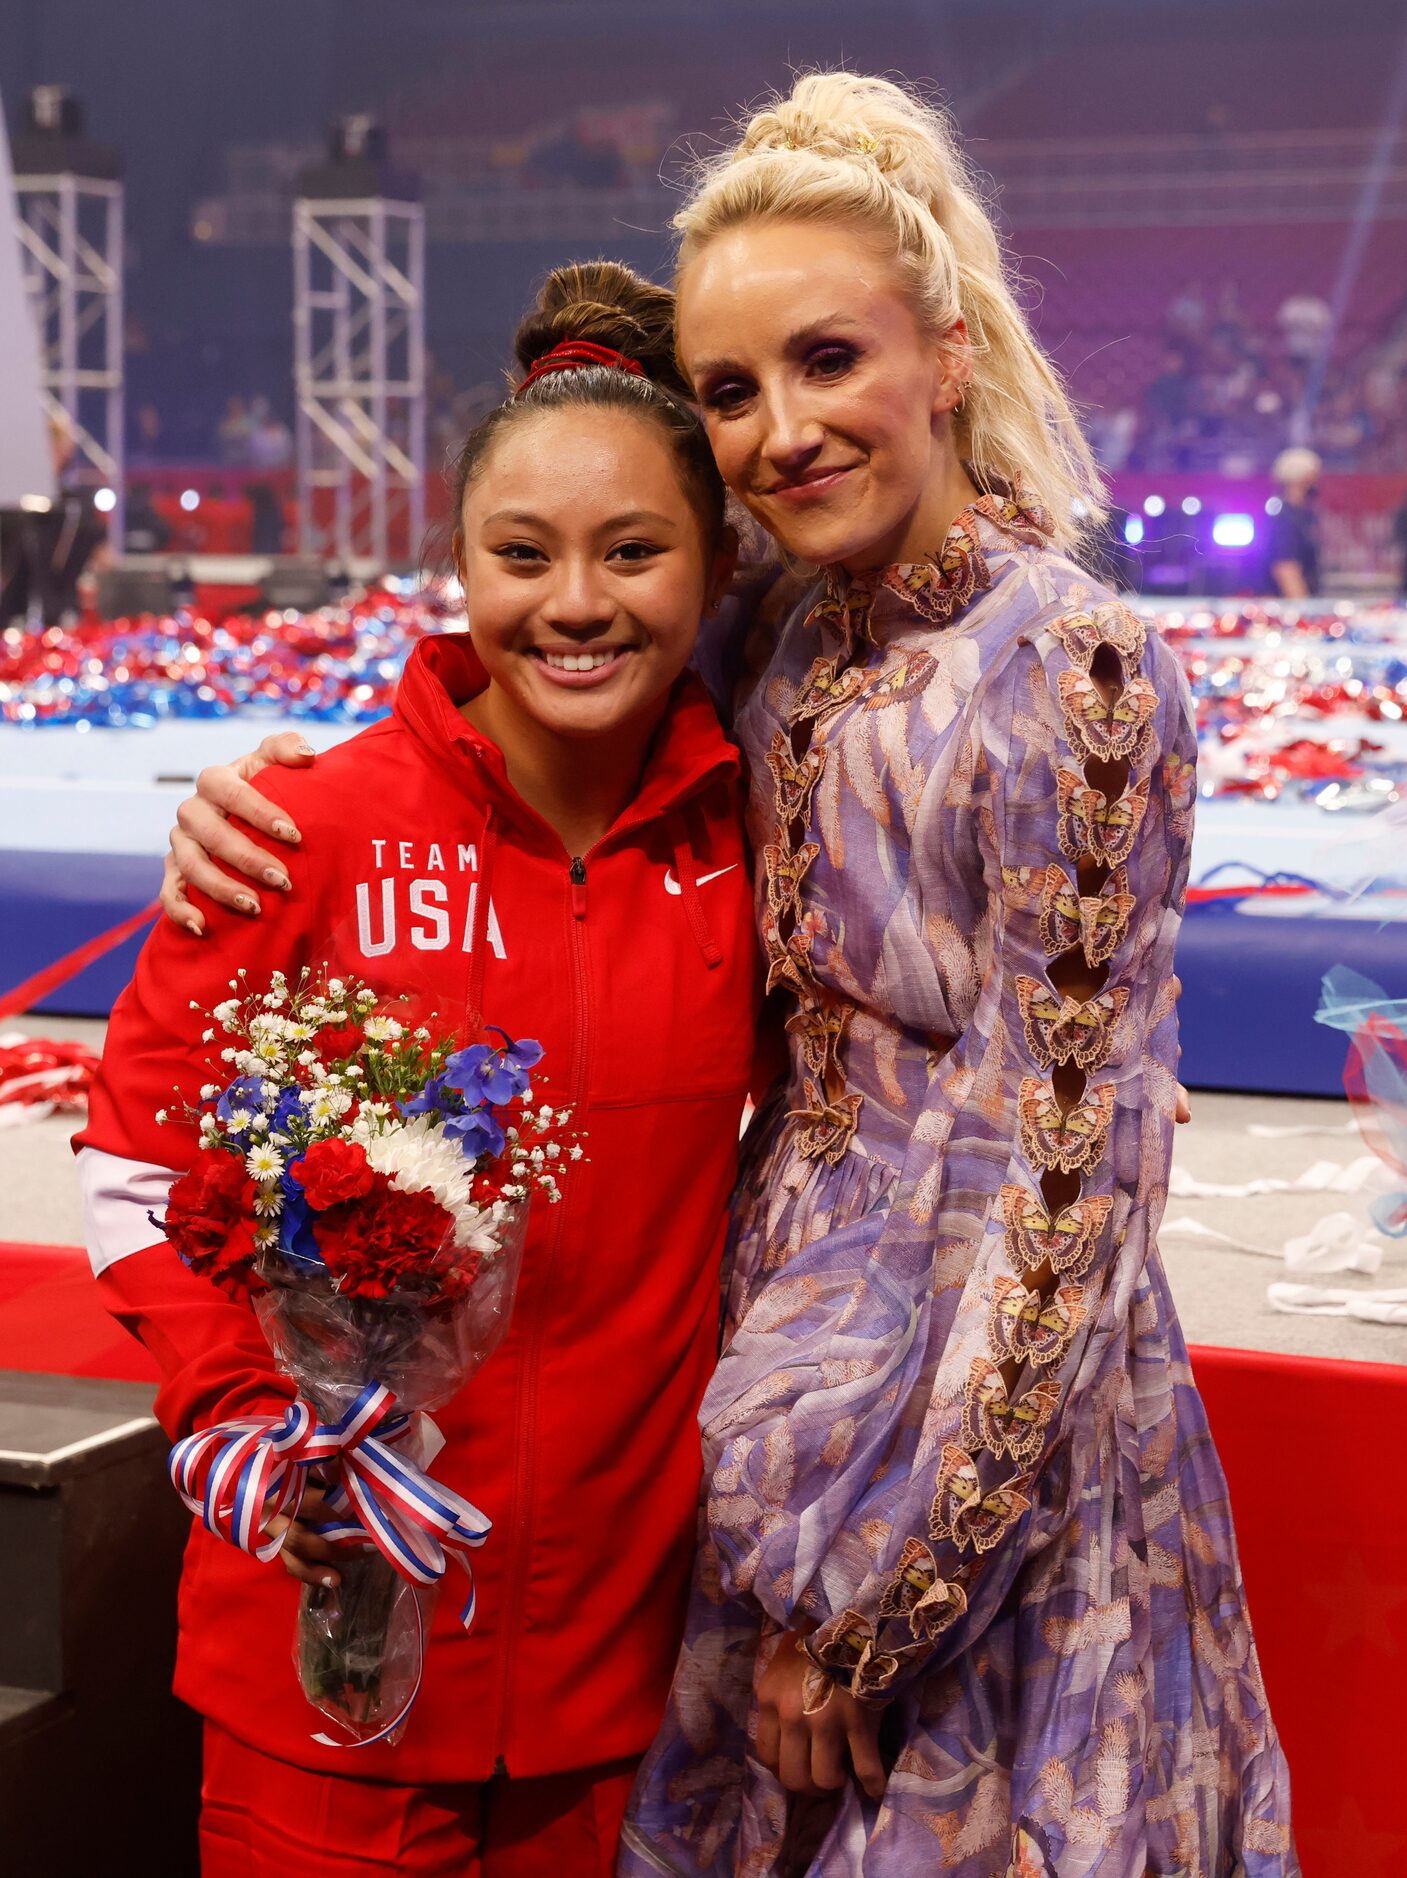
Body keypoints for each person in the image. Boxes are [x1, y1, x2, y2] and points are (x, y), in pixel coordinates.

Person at [157, 73, 1286, 1876]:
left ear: (946, 347)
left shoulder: (1067, 673)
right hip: (755, 1418)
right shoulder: (771, 628)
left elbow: (1070, 1198)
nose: (781, 431)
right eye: (733, 390)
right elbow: (552, 643)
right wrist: (291, 789)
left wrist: (882, 1596)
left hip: (964, 1448)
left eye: (827, 360)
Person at [76, 262, 761, 1878]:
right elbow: (129, 1163)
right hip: (323, 1671)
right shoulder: (302, 830)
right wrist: (253, 1421)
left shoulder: (760, 843)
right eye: (519, 554)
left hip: (618, 1687)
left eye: (634, 549)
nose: (573, 601)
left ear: (717, 564)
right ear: (453, 565)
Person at [1267, 445, 1322, 599]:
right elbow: (1286, 569)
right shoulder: (1284, 517)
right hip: (1286, 609)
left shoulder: (1304, 515)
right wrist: (1304, 612)